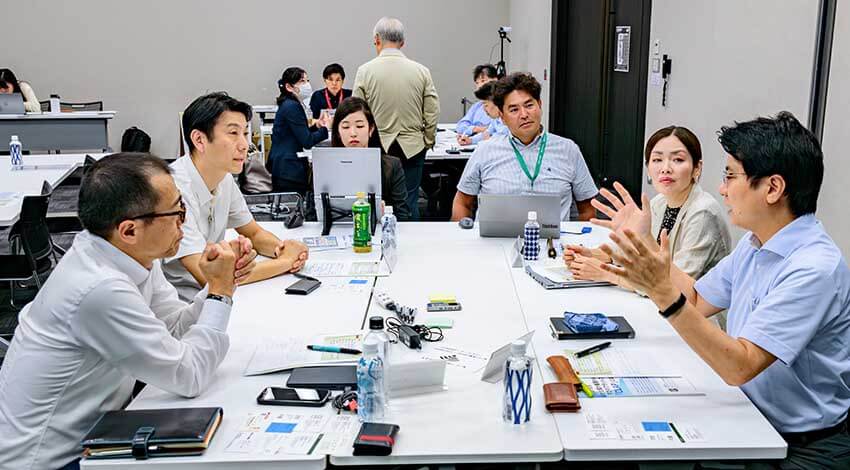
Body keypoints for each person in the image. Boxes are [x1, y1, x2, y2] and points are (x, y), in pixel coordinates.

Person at [594, 112, 850, 468]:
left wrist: (663, 292)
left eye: (731, 176)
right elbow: (697, 300)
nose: (723, 188)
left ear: (773, 188)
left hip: (801, 446)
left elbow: (740, 366)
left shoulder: (813, 268)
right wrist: (643, 240)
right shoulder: (756, 244)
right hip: (751, 416)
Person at [0, 153, 250, 470]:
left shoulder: (127, 253)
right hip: (53, 460)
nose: (182, 224)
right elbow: (189, 376)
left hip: (96, 433)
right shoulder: (100, 287)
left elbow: (173, 329)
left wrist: (220, 283)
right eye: (177, 212)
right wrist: (219, 292)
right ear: (129, 230)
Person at [564, 127, 731, 323]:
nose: (665, 168)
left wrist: (605, 273)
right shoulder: (660, 202)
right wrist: (599, 255)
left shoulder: (703, 211)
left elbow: (670, 284)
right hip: (660, 311)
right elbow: (640, 254)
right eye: (657, 160)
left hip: (699, 323)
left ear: (697, 168)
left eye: (678, 160)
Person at [164, 92, 310, 301]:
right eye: (233, 133)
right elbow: (208, 276)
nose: (244, 145)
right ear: (199, 139)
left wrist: (282, 249)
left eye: (245, 133)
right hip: (184, 305)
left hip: (220, 296)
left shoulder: (224, 178)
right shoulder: (173, 189)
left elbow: (254, 233)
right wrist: (285, 262)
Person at [452, 72, 598, 222]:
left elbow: (587, 209)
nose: (524, 114)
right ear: (502, 117)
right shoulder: (485, 151)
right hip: (493, 243)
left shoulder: (568, 150)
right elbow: (462, 203)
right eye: (514, 110)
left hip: (551, 244)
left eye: (529, 105)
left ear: (539, 105)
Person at [353, 16, 440, 220]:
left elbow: (356, 112)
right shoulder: (422, 71)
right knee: (410, 202)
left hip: (378, 147)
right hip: (413, 147)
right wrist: (428, 140)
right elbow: (432, 110)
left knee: (375, 201)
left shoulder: (365, 72)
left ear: (377, 40)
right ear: (402, 42)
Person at [331, 96, 410, 220]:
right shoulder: (326, 166)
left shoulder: (391, 166)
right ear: (337, 132)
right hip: (335, 231)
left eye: (360, 126)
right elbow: (312, 214)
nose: (353, 133)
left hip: (379, 233)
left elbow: (403, 214)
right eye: (346, 127)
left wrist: (387, 215)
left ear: (371, 129)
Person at [267, 67, 330, 200]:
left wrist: (317, 125)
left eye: (307, 80)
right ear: (289, 86)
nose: (307, 85)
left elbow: (298, 133)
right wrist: (325, 129)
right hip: (288, 168)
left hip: (284, 166)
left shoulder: (289, 104)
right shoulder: (292, 107)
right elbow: (306, 141)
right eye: (302, 81)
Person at [457, 81, 508, 146]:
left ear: (497, 103)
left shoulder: (509, 122)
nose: (484, 109)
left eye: (486, 105)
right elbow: (487, 133)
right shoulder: (496, 120)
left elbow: (500, 139)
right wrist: (470, 140)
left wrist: (489, 139)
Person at [455, 63, 499, 138]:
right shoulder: (477, 106)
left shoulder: (501, 105)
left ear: (495, 80)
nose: (479, 86)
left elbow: (495, 130)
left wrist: (471, 129)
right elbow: (460, 126)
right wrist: (477, 129)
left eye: (483, 81)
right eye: (477, 83)